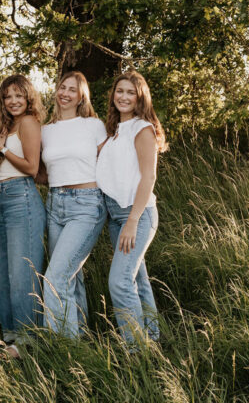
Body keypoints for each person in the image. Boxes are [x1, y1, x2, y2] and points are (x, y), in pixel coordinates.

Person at [97, 70, 166, 345]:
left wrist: (133, 221)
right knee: (137, 278)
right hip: (116, 214)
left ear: (140, 98)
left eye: (130, 93)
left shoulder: (142, 128)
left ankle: (136, 349)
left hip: (136, 213)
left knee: (120, 282)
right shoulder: (116, 131)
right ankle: (153, 339)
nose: (123, 97)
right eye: (120, 91)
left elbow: (149, 177)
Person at [41, 71, 108, 338]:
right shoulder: (46, 130)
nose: (65, 93)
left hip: (87, 204)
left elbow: (108, 163)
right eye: (62, 87)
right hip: (55, 203)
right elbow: (42, 170)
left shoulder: (93, 125)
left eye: (72, 90)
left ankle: (60, 345)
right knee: (71, 276)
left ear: (81, 97)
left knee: (55, 278)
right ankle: (78, 339)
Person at [0, 74, 46, 357]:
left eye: (18, 96)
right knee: (0, 275)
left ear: (28, 98)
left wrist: (2, 150)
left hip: (22, 198)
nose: (12, 101)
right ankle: (10, 335)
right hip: (1, 199)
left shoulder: (28, 122)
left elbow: (32, 167)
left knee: (22, 274)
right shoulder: (6, 124)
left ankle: (27, 340)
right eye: (7, 96)